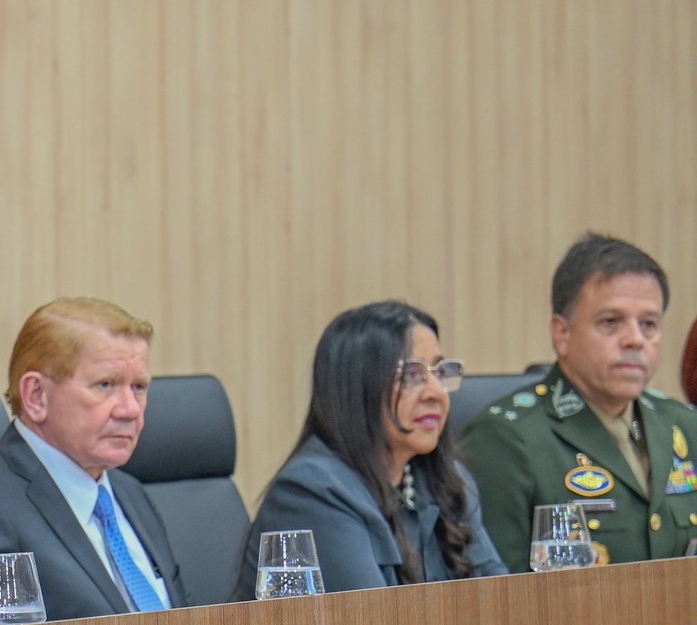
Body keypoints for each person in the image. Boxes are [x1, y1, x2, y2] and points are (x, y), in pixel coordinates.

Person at [459, 233, 697, 570]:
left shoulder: (685, 425)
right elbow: (494, 591)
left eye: (648, 324)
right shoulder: (505, 440)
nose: (635, 340)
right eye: (611, 322)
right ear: (562, 333)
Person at [235, 301, 506, 596]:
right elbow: (371, 621)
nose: (436, 393)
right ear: (357, 387)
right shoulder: (313, 491)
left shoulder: (448, 480)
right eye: (411, 374)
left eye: (439, 372)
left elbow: (500, 599)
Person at [0, 297, 185, 618]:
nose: (130, 409)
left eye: (138, 387)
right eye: (105, 384)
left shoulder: (131, 493)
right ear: (36, 396)